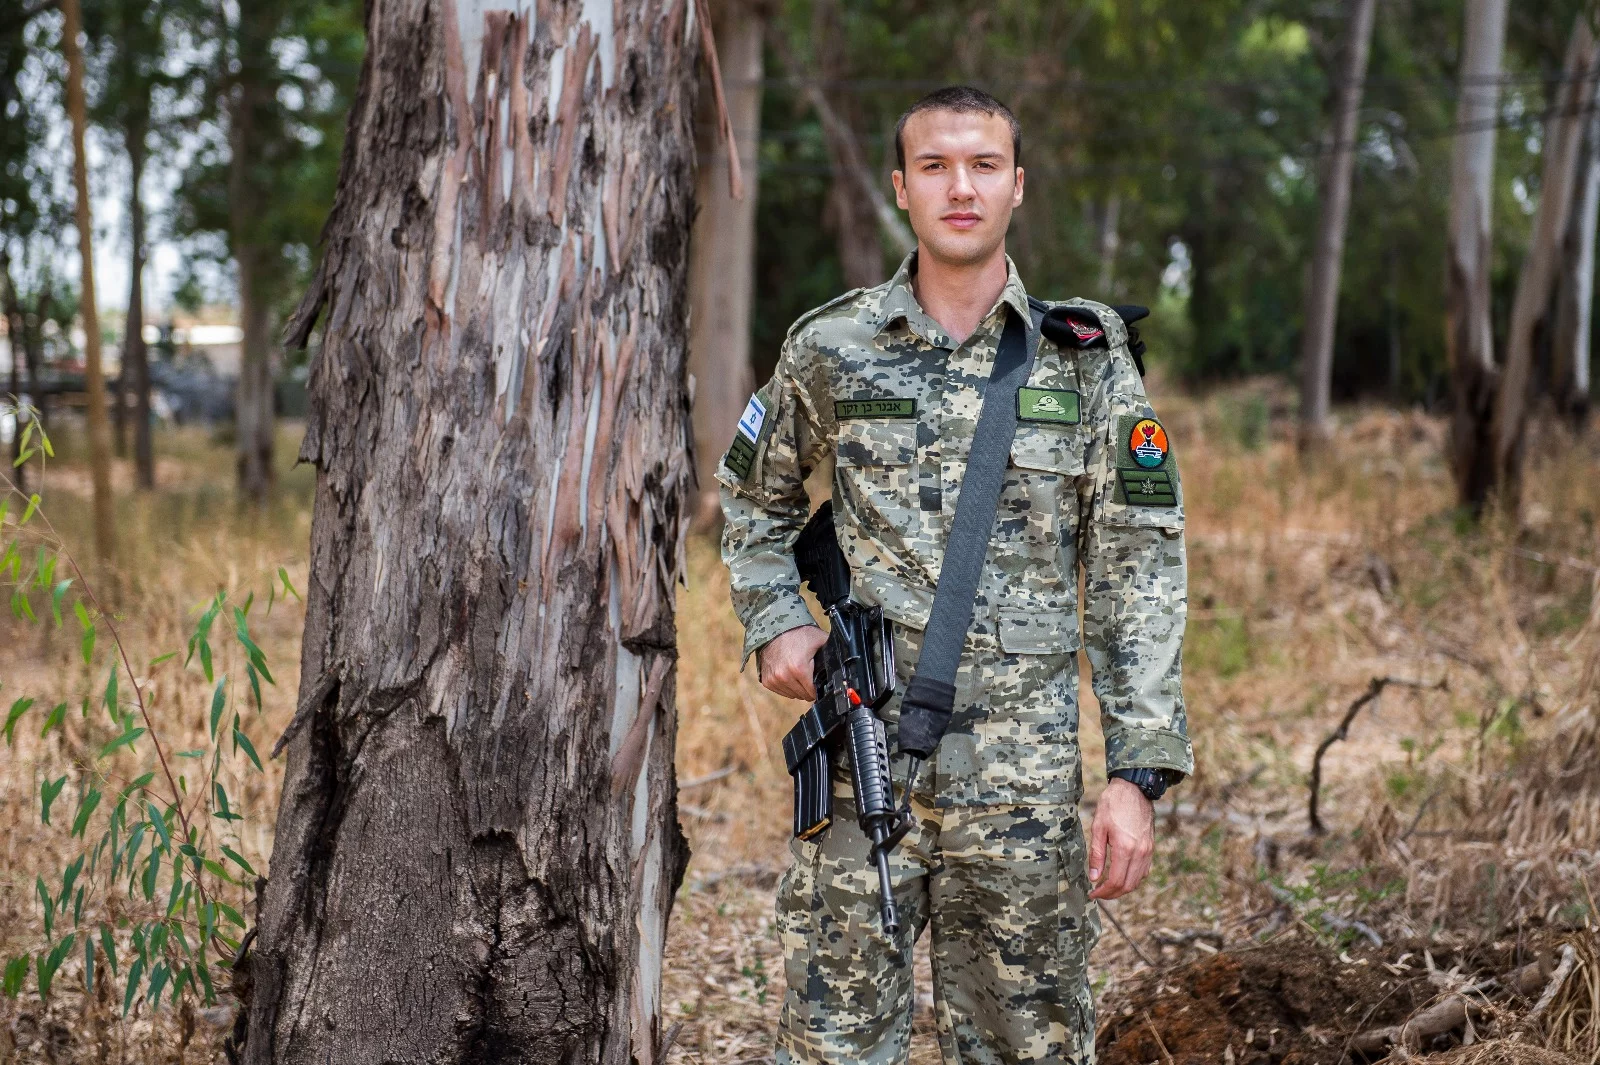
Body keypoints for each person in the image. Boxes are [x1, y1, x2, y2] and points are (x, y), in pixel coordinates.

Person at [716, 85, 1192, 1065]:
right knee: (830, 1049)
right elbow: (751, 502)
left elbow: (1138, 565)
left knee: (1031, 1049)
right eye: (934, 167)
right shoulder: (831, 346)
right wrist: (775, 624)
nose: (959, 187)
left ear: (1017, 185)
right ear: (901, 189)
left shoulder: (1084, 364)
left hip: (1021, 786)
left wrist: (1136, 772)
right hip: (861, 764)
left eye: (982, 166)